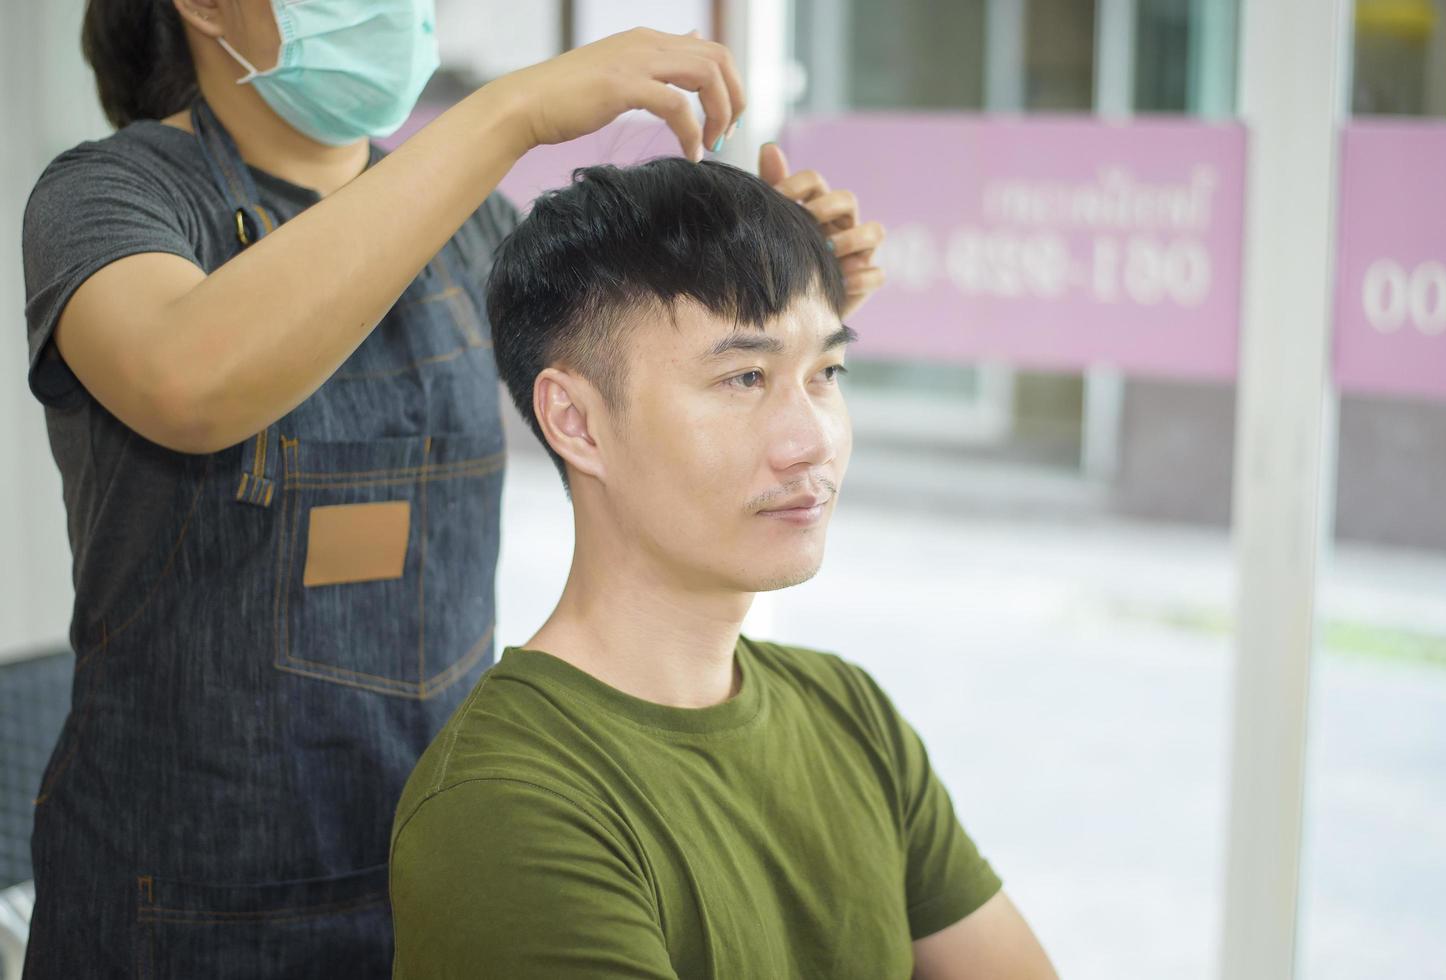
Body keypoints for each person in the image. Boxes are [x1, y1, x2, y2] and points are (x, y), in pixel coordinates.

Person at [19, 2, 885, 975]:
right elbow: (187, 379)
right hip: (177, 913)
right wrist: (505, 115)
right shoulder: (106, 199)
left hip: (446, 864)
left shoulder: (471, 229)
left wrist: (776, 320)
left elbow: (635, 398)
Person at [387, 157, 1056, 979]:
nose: (811, 440)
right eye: (744, 377)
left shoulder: (850, 713)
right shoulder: (505, 806)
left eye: (825, 375)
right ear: (578, 422)